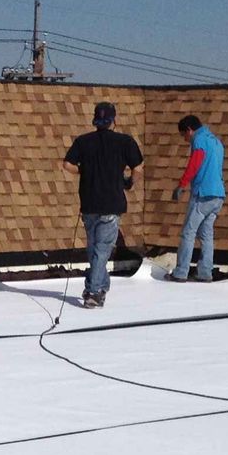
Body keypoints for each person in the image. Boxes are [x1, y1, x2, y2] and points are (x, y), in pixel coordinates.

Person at [62, 101, 143, 309]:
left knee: (94, 250)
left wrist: (85, 172)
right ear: (114, 120)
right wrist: (130, 182)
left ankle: (102, 285)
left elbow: (67, 165)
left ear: (95, 120)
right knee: (101, 250)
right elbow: (139, 167)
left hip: (89, 203)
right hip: (112, 203)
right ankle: (93, 291)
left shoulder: (83, 142)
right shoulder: (125, 142)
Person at [170, 113, 226, 283]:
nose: (185, 140)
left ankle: (181, 272)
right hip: (218, 195)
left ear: (189, 130)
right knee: (206, 234)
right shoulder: (216, 141)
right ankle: (205, 272)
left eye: (184, 135)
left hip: (203, 194)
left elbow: (195, 163)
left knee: (188, 232)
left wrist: (181, 185)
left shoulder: (199, 140)